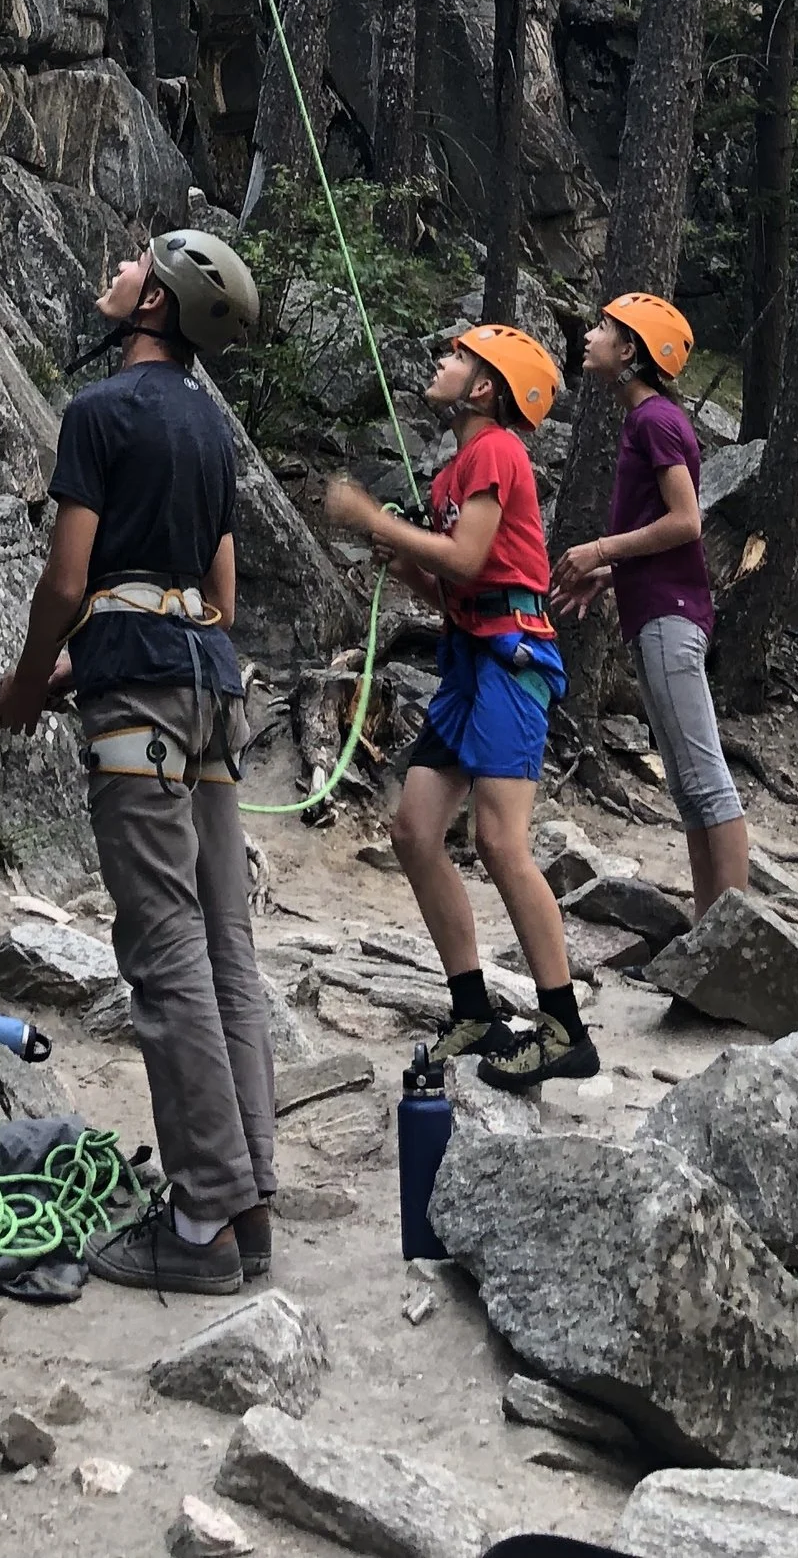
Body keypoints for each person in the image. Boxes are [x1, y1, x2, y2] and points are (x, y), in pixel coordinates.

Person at [0, 226, 273, 1295]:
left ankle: (199, 1222)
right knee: (225, 948)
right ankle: (246, 1205)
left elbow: (69, 582)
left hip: (141, 703)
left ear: (153, 304)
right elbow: (221, 599)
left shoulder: (100, 412)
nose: (114, 269)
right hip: (208, 691)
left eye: (133, 265)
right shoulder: (210, 427)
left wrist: (31, 681)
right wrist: (95, 665)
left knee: (163, 955)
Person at [324, 323, 599, 1092]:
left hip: (511, 661)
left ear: (484, 387)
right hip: (471, 659)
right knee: (413, 828)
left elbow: (475, 559)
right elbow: (456, 584)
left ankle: (564, 1025)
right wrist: (409, 563)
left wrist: (375, 520)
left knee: (500, 839)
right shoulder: (456, 472)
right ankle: (473, 1008)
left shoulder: (496, 451)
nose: (440, 361)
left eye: (456, 356)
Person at [552, 290, 750, 912]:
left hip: (670, 620)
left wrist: (599, 551)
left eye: (605, 327)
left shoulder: (654, 420)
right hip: (659, 611)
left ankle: (735, 930)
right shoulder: (648, 419)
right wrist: (609, 576)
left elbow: (685, 521)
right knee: (691, 786)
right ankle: (709, 924)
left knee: (705, 779)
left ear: (631, 351)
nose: (591, 334)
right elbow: (668, 541)